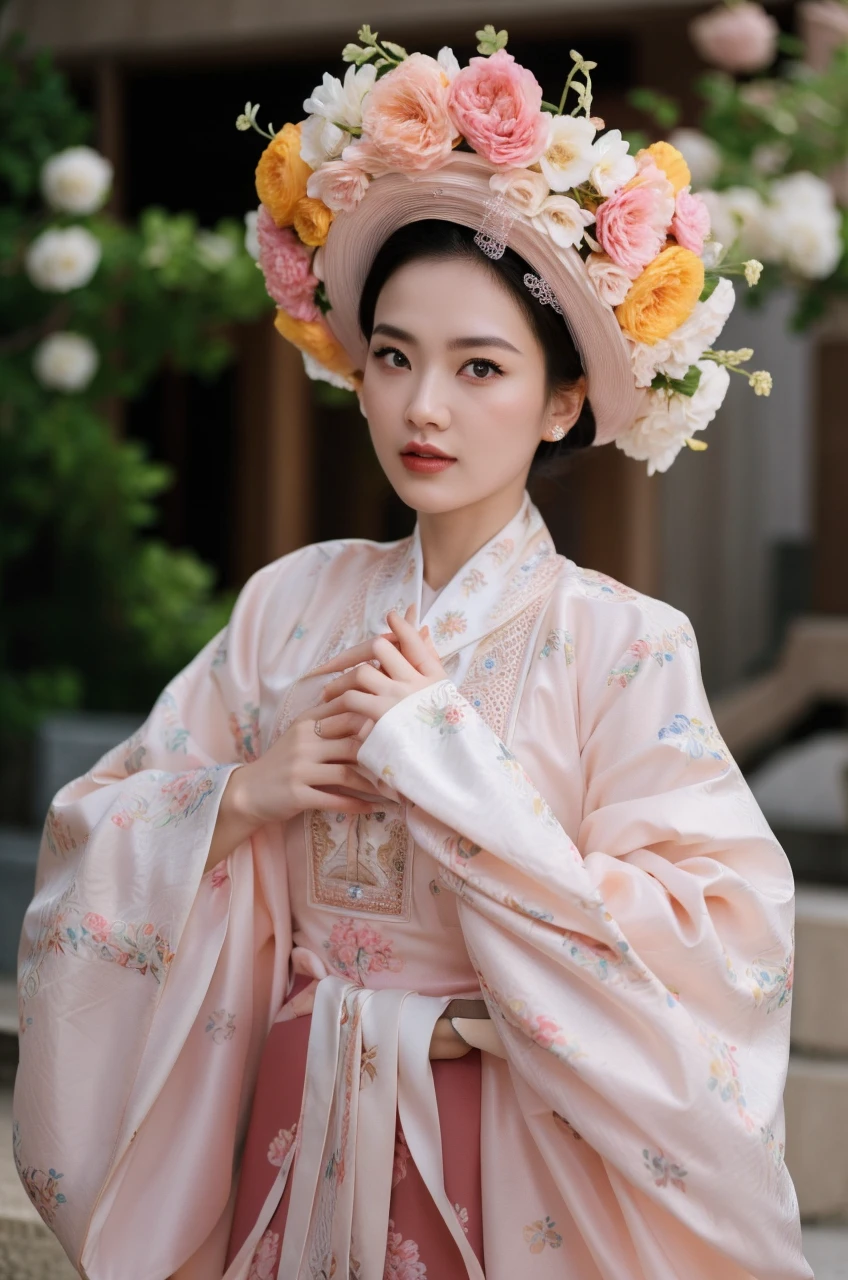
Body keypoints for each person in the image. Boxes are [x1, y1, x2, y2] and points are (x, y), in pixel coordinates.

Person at [13, 27, 811, 1280]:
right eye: (391, 356)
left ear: (560, 402)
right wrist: (243, 795)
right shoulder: (292, 604)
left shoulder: (624, 643)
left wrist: (441, 757)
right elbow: (93, 829)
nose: (420, 406)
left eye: (477, 366)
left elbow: (724, 941)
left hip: (509, 1144)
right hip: (295, 1107)